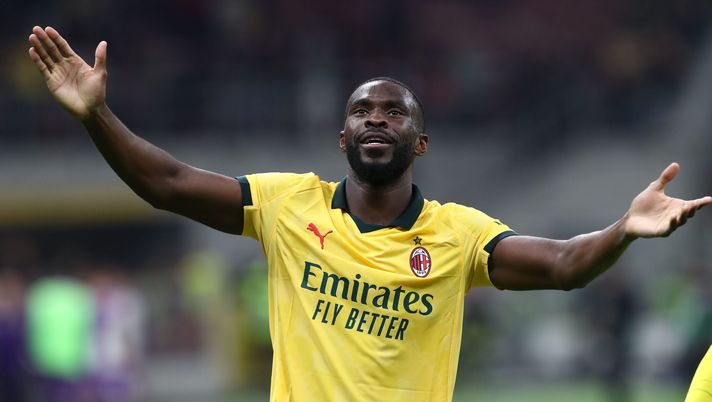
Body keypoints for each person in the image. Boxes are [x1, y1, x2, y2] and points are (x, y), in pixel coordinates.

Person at [27, 25, 712, 402]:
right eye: (361, 111)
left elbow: (563, 266)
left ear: (419, 142)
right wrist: (98, 117)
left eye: (393, 112)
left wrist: (623, 229)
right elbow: (168, 184)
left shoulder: (457, 234)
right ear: (343, 138)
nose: (375, 118)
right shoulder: (284, 204)